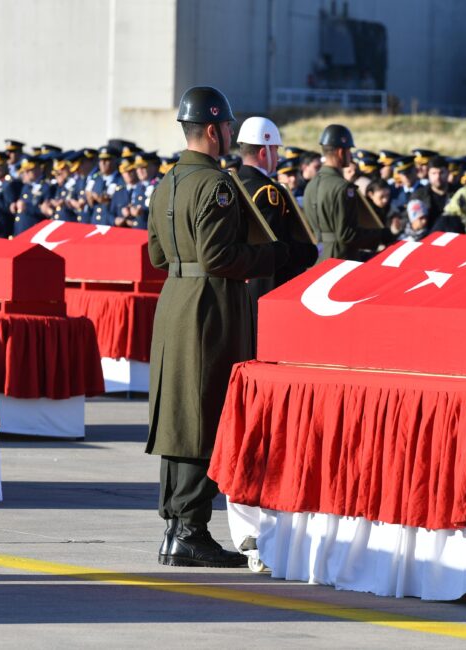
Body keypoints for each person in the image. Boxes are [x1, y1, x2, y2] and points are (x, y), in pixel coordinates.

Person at [146, 86, 287, 568]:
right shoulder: (218, 185)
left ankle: (176, 528)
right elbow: (219, 255)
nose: (230, 134)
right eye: (228, 127)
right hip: (210, 308)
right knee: (202, 415)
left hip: (175, 303)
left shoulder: (167, 182)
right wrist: (269, 256)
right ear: (212, 129)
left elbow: (156, 255)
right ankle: (190, 530)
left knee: (179, 416)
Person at [235, 115, 317, 312]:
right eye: (275, 149)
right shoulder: (268, 192)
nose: (278, 157)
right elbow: (277, 246)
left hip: (240, 281)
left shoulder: (232, 184)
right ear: (264, 152)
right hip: (266, 285)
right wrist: (310, 252)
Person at [304, 124, 393, 263]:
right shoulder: (343, 188)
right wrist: (380, 235)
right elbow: (347, 235)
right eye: (349, 150)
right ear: (341, 152)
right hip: (340, 259)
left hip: (319, 258)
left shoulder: (311, 185)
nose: (350, 155)